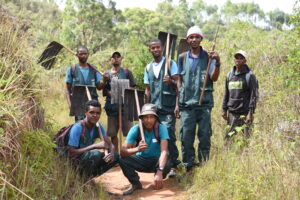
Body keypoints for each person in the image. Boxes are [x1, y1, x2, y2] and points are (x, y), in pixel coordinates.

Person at [175, 25, 221, 174]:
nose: (194, 39)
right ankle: (189, 165)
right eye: (191, 37)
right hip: (187, 105)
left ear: (201, 39)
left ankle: (204, 165)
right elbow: (179, 79)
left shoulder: (209, 56)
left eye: (197, 37)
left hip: (204, 104)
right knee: (186, 137)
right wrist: (179, 98)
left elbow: (214, 77)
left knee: (205, 136)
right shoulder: (182, 57)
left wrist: (218, 62)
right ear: (187, 39)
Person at [144, 38, 180, 177]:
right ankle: (160, 165)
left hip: (168, 106)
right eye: (153, 48)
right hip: (154, 108)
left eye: (158, 47)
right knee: (156, 136)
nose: (156, 50)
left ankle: (173, 165)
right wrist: (146, 108)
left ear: (162, 48)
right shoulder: (148, 67)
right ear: (150, 50)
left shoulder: (170, 63)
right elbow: (148, 89)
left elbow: (178, 85)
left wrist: (170, 81)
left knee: (169, 133)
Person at [119, 104, 170, 195]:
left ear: (155, 118)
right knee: (122, 159)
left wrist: (159, 171)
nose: (148, 120)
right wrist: (137, 149)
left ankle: (158, 177)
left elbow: (164, 151)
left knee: (168, 162)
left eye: (151, 117)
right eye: (145, 117)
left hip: (156, 161)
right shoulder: (136, 129)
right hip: (141, 160)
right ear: (141, 119)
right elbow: (122, 152)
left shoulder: (161, 128)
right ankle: (136, 184)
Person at [67, 100, 118, 178]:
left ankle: (89, 178)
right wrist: (94, 146)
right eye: (92, 112)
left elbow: (110, 144)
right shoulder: (77, 127)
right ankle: (81, 178)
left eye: (98, 113)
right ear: (85, 113)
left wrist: (111, 153)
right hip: (74, 162)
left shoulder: (98, 126)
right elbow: (71, 153)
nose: (95, 115)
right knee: (95, 153)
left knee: (116, 156)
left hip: (87, 158)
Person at [222, 50, 258, 144]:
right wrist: (224, 110)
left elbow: (253, 96)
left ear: (245, 60)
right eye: (236, 57)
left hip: (245, 113)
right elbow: (226, 94)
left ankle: (246, 157)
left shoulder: (250, 76)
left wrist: (250, 113)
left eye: (241, 58)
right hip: (232, 113)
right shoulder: (229, 75)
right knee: (228, 140)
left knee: (248, 140)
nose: (238, 60)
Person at [102, 52, 136, 152]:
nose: (116, 59)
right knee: (112, 133)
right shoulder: (106, 74)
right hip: (112, 108)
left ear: (121, 59)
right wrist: (113, 93)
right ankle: (115, 155)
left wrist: (122, 91)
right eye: (113, 57)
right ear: (110, 59)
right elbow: (104, 91)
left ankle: (131, 155)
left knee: (130, 133)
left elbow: (132, 88)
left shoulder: (126, 72)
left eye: (118, 57)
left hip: (126, 108)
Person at [65, 45, 104, 122]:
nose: (83, 56)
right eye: (81, 54)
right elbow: (67, 90)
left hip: (93, 106)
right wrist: (70, 105)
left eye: (85, 54)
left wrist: (105, 80)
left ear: (88, 54)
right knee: (80, 128)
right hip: (78, 105)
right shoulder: (72, 69)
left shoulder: (94, 69)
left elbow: (99, 87)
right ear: (77, 55)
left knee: (93, 128)